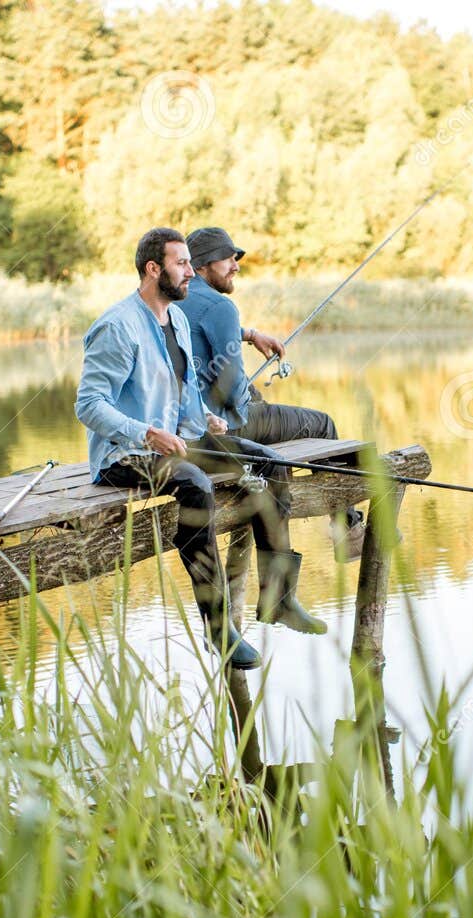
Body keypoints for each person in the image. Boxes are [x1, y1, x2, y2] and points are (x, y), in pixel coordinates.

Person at [75, 227, 326, 671]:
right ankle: (217, 625)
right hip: (124, 455)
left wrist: (201, 420)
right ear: (154, 269)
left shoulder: (179, 320)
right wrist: (146, 433)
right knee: (194, 484)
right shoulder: (116, 326)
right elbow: (90, 405)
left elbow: (185, 386)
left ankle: (279, 599)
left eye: (191, 262)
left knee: (268, 462)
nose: (191, 272)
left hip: (178, 439)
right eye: (182, 264)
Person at [178, 226, 365, 561]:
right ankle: (348, 530)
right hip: (222, 431)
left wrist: (250, 335)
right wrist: (244, 400)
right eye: (227, 259)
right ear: (203, 265)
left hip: (181, 429)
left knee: (255, 399)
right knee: (323, 425)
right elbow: (234, 391)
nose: (235, 265)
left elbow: (197, 331)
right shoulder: (221, 306)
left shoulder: (175, 300)